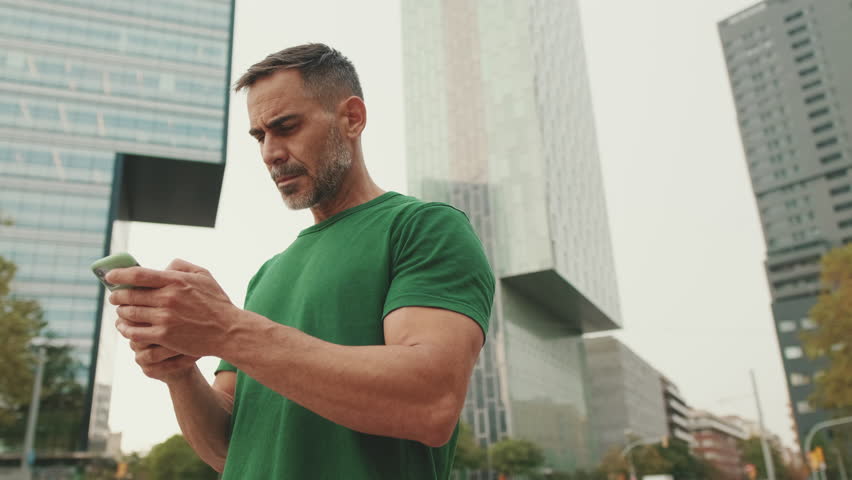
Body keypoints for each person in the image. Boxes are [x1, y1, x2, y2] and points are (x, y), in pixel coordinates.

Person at [106, 43, 495, 479]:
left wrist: (225, 328)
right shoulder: (268, 275)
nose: (270, 152)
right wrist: (179, 372)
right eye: (259, 136)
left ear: (352, 118)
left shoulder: (424, 229)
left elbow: (430, 402)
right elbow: (227, 450)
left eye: (286, 126)